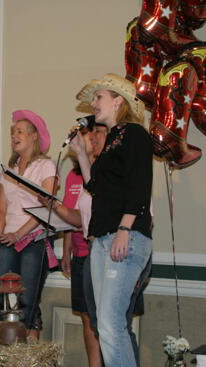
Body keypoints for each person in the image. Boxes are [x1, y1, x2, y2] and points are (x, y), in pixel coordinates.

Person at [70, 73, 152, 367]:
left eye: (99, 97)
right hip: (102, 239)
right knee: (103, 324)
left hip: (124, 235)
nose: (93, 103)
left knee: (111, 323)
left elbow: (140, 185)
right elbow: (96, 189)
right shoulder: (112, 141)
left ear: (119, 101)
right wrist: (81, 155)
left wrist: (124, 228)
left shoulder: (135, 135)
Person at [0, 110, 58, 340]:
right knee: (5, 298)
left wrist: (19, 234)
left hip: (34, 239)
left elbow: (48, 205)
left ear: (34, 136)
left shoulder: (45, 166)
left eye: (19, 131)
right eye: (12, 132)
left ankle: (28, 355)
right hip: (8, 239)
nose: (14, 136)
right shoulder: (10, 172)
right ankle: (8, 351)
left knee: (27, 299)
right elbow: (1, 211)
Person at [49, 122, 108, 367]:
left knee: (103, 318)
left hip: (101, 253)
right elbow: (74, 215)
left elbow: (93, 217)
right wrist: (66, 250)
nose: (88, 140)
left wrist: (56, 207)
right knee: (86, 316)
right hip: (80, 253)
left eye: (92, 135)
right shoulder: (74, 175)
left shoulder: (103, 172)